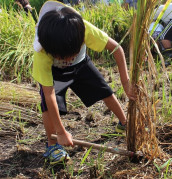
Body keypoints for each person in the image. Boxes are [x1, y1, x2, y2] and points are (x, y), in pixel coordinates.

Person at [32, 1, 135, 164]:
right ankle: (52, 145)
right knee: (48, 105)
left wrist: (125, 81)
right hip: (55, 72)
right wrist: (61, 131)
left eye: (71, 53)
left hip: (81, 65)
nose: (67, 59)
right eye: (62, 56)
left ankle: (124, 123)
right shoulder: (42, 50)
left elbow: (116, 49)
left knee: (105, 91)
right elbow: (49, 93)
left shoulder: (83, 28)